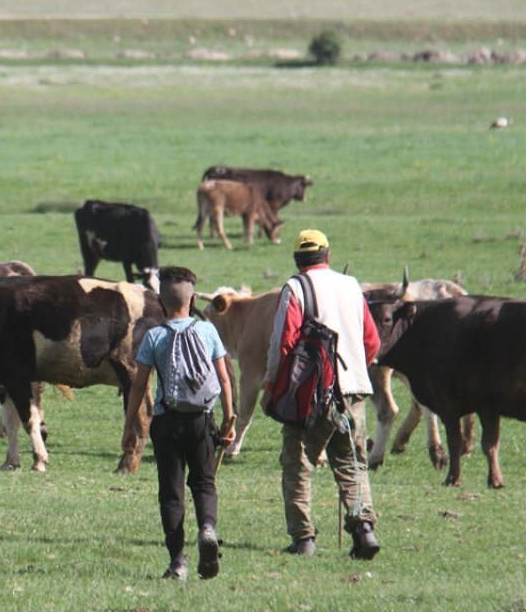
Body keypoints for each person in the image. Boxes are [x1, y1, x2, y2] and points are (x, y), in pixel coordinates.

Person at [260, 229, 382, 560]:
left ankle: (303, 538)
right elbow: (372, 341)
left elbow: (283, 344)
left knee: (298, 463)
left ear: (298, 260)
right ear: (326, 255)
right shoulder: (352, 286)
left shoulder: (295, 288)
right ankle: (364, 530)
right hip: (353, 391)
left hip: (310, 395)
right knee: (353, 464)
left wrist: (272, 387)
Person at [124, 265, 235, 580]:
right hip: (202, 420)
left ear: (160, 301)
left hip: (166, 423)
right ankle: (208, 529)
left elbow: (139, 385)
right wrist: (229, 421)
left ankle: (178, 563)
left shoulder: (154, 336)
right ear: (194, 298)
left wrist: (130, 426)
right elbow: (225, 380)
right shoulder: (208, 331)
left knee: (171, 491)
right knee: (203, 483)